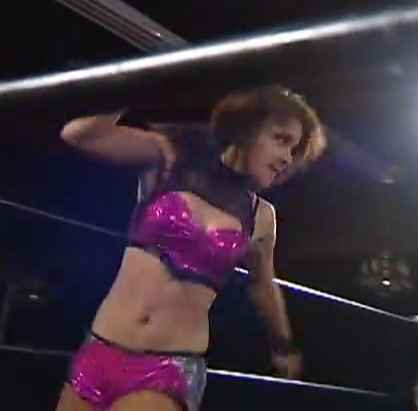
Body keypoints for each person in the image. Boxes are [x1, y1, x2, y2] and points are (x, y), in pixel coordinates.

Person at [54, 87, 326, 411]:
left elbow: (263, 285)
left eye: (294, 150)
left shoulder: (261, 217)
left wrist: (283, 345)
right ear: (247, 127)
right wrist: (134, 82)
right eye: (281, 139)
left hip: (166, 368)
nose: (286, 158)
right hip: (98, 348)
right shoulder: (170, 155)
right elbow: (79, 135)